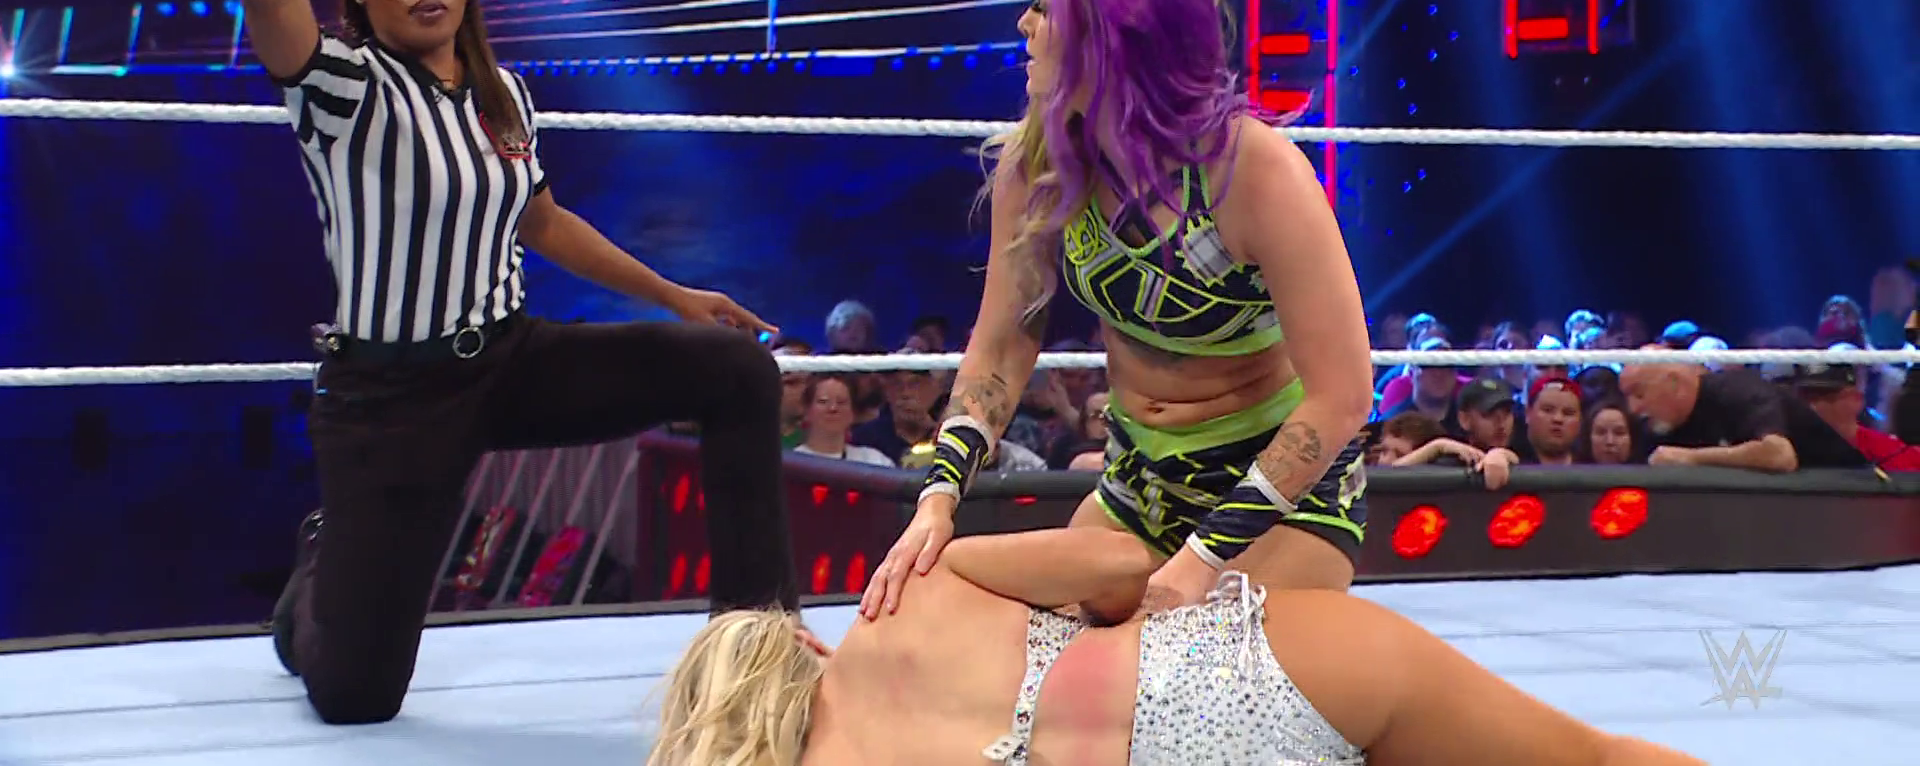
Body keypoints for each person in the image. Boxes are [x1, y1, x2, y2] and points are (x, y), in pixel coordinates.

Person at [242, 0, 797, 724]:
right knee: (356, 697)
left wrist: (676, 295)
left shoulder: (502, 94)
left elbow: (540, 220)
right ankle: (318, 578)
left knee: (732, 369)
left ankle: (754, 647)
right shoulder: (344, 86)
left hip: (509, 359)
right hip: (393, 397)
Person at [862, 0, 1375, 619]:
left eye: (1046, 7)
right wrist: (938, 499)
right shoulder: (1040, 164)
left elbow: (1343, 395)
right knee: (957, 622)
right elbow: (1003, 344)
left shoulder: (1256, 173)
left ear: (1106, 36)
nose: (1024, 24)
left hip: (1278, 498)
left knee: (1158, 667)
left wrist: (1199, 561)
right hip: (1138, 488)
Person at [648, 528, 1705, 766]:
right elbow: (1122, 564)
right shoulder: (910, 593)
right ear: (804, 642)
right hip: (1203, 678)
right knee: (1591, 760)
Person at [1619, 347, 1867, 472]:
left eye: (1639, 394)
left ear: (1674, 384)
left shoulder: (1738, 391)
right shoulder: (1657, 426)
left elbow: (1780, 455)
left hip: (1848, 495)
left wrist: (1691, 458)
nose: (1633, 408)